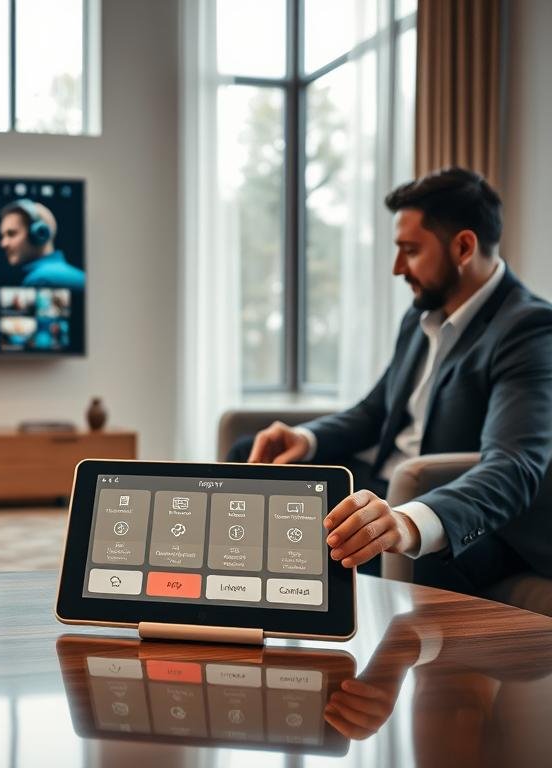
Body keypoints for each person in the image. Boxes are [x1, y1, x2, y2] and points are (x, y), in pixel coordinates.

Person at [230, 167, 552, 595]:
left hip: (465, 514)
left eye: (410, 250)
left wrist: (410, 520)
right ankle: (238, 602)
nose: (399, 267)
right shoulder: (421, 315)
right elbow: (375, 411)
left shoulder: (529, 329)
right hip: (384, 484)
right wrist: (305, 438)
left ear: (463, 246)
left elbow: (513, 465)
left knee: (425, 550)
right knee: (250, 456)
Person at [0, 199, 85, 289]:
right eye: (2, 236)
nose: (3, 244)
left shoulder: (40, 280)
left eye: (11, 234)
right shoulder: (82, 276)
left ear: (39, 233)